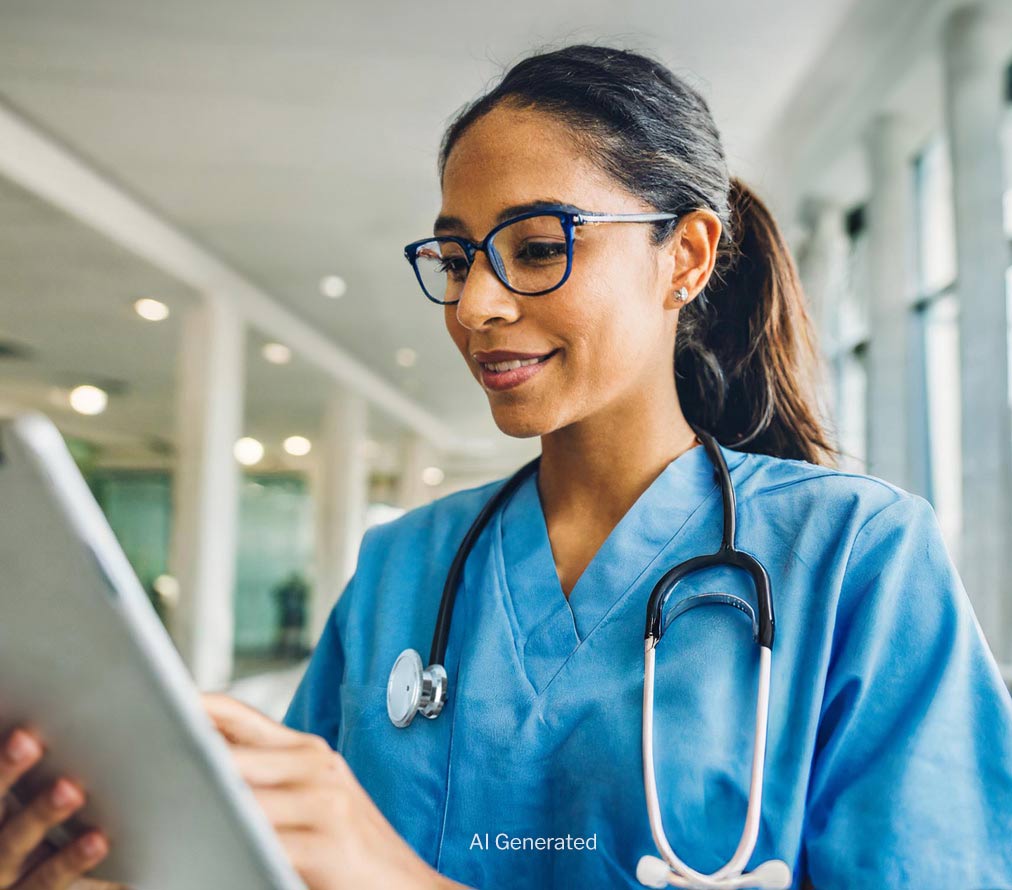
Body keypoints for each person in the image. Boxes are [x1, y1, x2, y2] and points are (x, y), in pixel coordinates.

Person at [1, 42, 1010, 890]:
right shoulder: (404, 567)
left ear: (688, 256)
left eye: (536, 247)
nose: (476, 304)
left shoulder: (853, 553)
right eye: (456, 256)